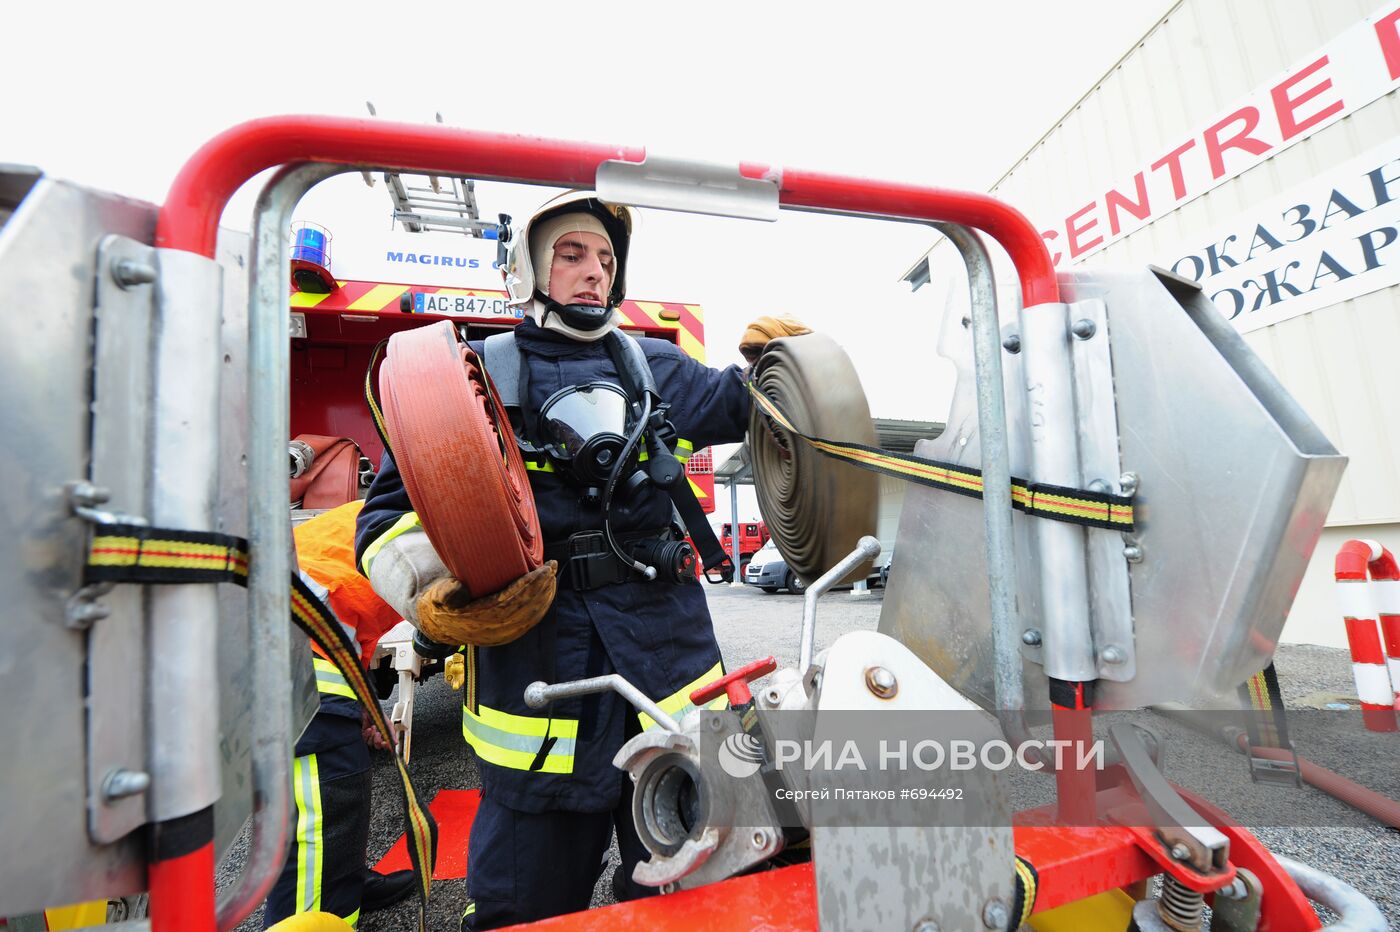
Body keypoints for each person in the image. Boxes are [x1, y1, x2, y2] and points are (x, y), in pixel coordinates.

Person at [355, 191, 808, 930]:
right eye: (571, 255)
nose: (593, 272)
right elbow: (384, 520)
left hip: (674, 677)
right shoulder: (470, 378)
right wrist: (433, 591)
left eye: (605, 259)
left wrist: (783, 365)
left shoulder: (656, 365)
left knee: (702, 893)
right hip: (538, 692)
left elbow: (754, 407)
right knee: (520, 907)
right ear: (527, 271)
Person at [263, 501, 418, 929]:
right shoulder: (436, 516)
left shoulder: (380, 515)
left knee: (334, 782)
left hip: (301, 632)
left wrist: (367, 710)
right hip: (294, 638)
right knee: (325, 802)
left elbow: (350, 622)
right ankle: (313, 916)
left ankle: (341, 883)